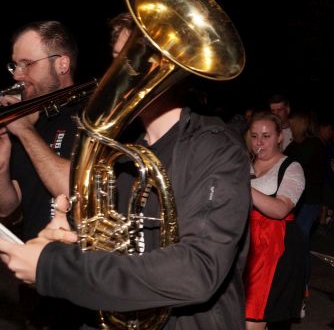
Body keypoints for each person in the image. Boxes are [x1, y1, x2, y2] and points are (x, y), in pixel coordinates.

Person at [0, 81, 253, 329]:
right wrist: (70, 242)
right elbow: (114, 247)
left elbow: (197, 270)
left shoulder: (217, 147)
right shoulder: (117, 150)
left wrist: (55, 269)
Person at [0, 20, 82, 329]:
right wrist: (1, 166)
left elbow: (72, 189)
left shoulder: (92, 114)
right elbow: (8, 208)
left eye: (27, 64)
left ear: (62, 64)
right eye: (14, 65)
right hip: (33, 286)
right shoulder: (29, 120)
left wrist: (24, 131)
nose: (17, 75)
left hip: (79, 279)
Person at [245, 111, 306, 329]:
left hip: (273, 248)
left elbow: (280, 209)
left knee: (254, 317)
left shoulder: (292, 167)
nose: (258, 142)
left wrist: (242, 187)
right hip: (244, 246)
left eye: (266, 136)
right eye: (254, 136)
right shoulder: (244, 164)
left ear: (280, 137)